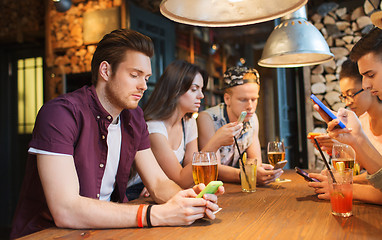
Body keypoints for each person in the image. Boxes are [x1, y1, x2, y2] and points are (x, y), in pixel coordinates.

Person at [10, 29, 223, 239]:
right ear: (105, 71)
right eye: (134, 75)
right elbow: (66, 209)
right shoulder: (61, 114)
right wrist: (155, 214)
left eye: (146, 77)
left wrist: (187, 200)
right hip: (49, 233)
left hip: (107, 229)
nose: (143, 86)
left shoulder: (134, 117)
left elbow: (158, 183)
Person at [126, 60, 235, 196]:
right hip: (136, 193)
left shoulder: (188, 123)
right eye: (194, 89)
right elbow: (180, 178)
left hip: (166, 190)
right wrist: (215, 142)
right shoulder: (153, 129)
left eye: (201, 90)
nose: (201, 95)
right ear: (175, 90)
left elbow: (191, 174)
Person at [313, 27, 382, 191]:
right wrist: (354, 138)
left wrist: (341, 187)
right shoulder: (362, 121)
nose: (366, 85)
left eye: (371, 75)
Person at [307, 59, 382, 205]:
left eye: (352, 94)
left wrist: (341, 187)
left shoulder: (358, 127)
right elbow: (373, 175)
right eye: (344, 96)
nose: (347, 102)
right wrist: (336, 146)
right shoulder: (362, 122)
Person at [197, 66, 282, 184]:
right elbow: (214, 169)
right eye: (243, 100)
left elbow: (254, 161)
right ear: (227, 99)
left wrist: (260, 171)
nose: (250, 106)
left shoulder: (252, 118)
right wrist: (248, 173)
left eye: (254, 99)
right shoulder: (207, 119)